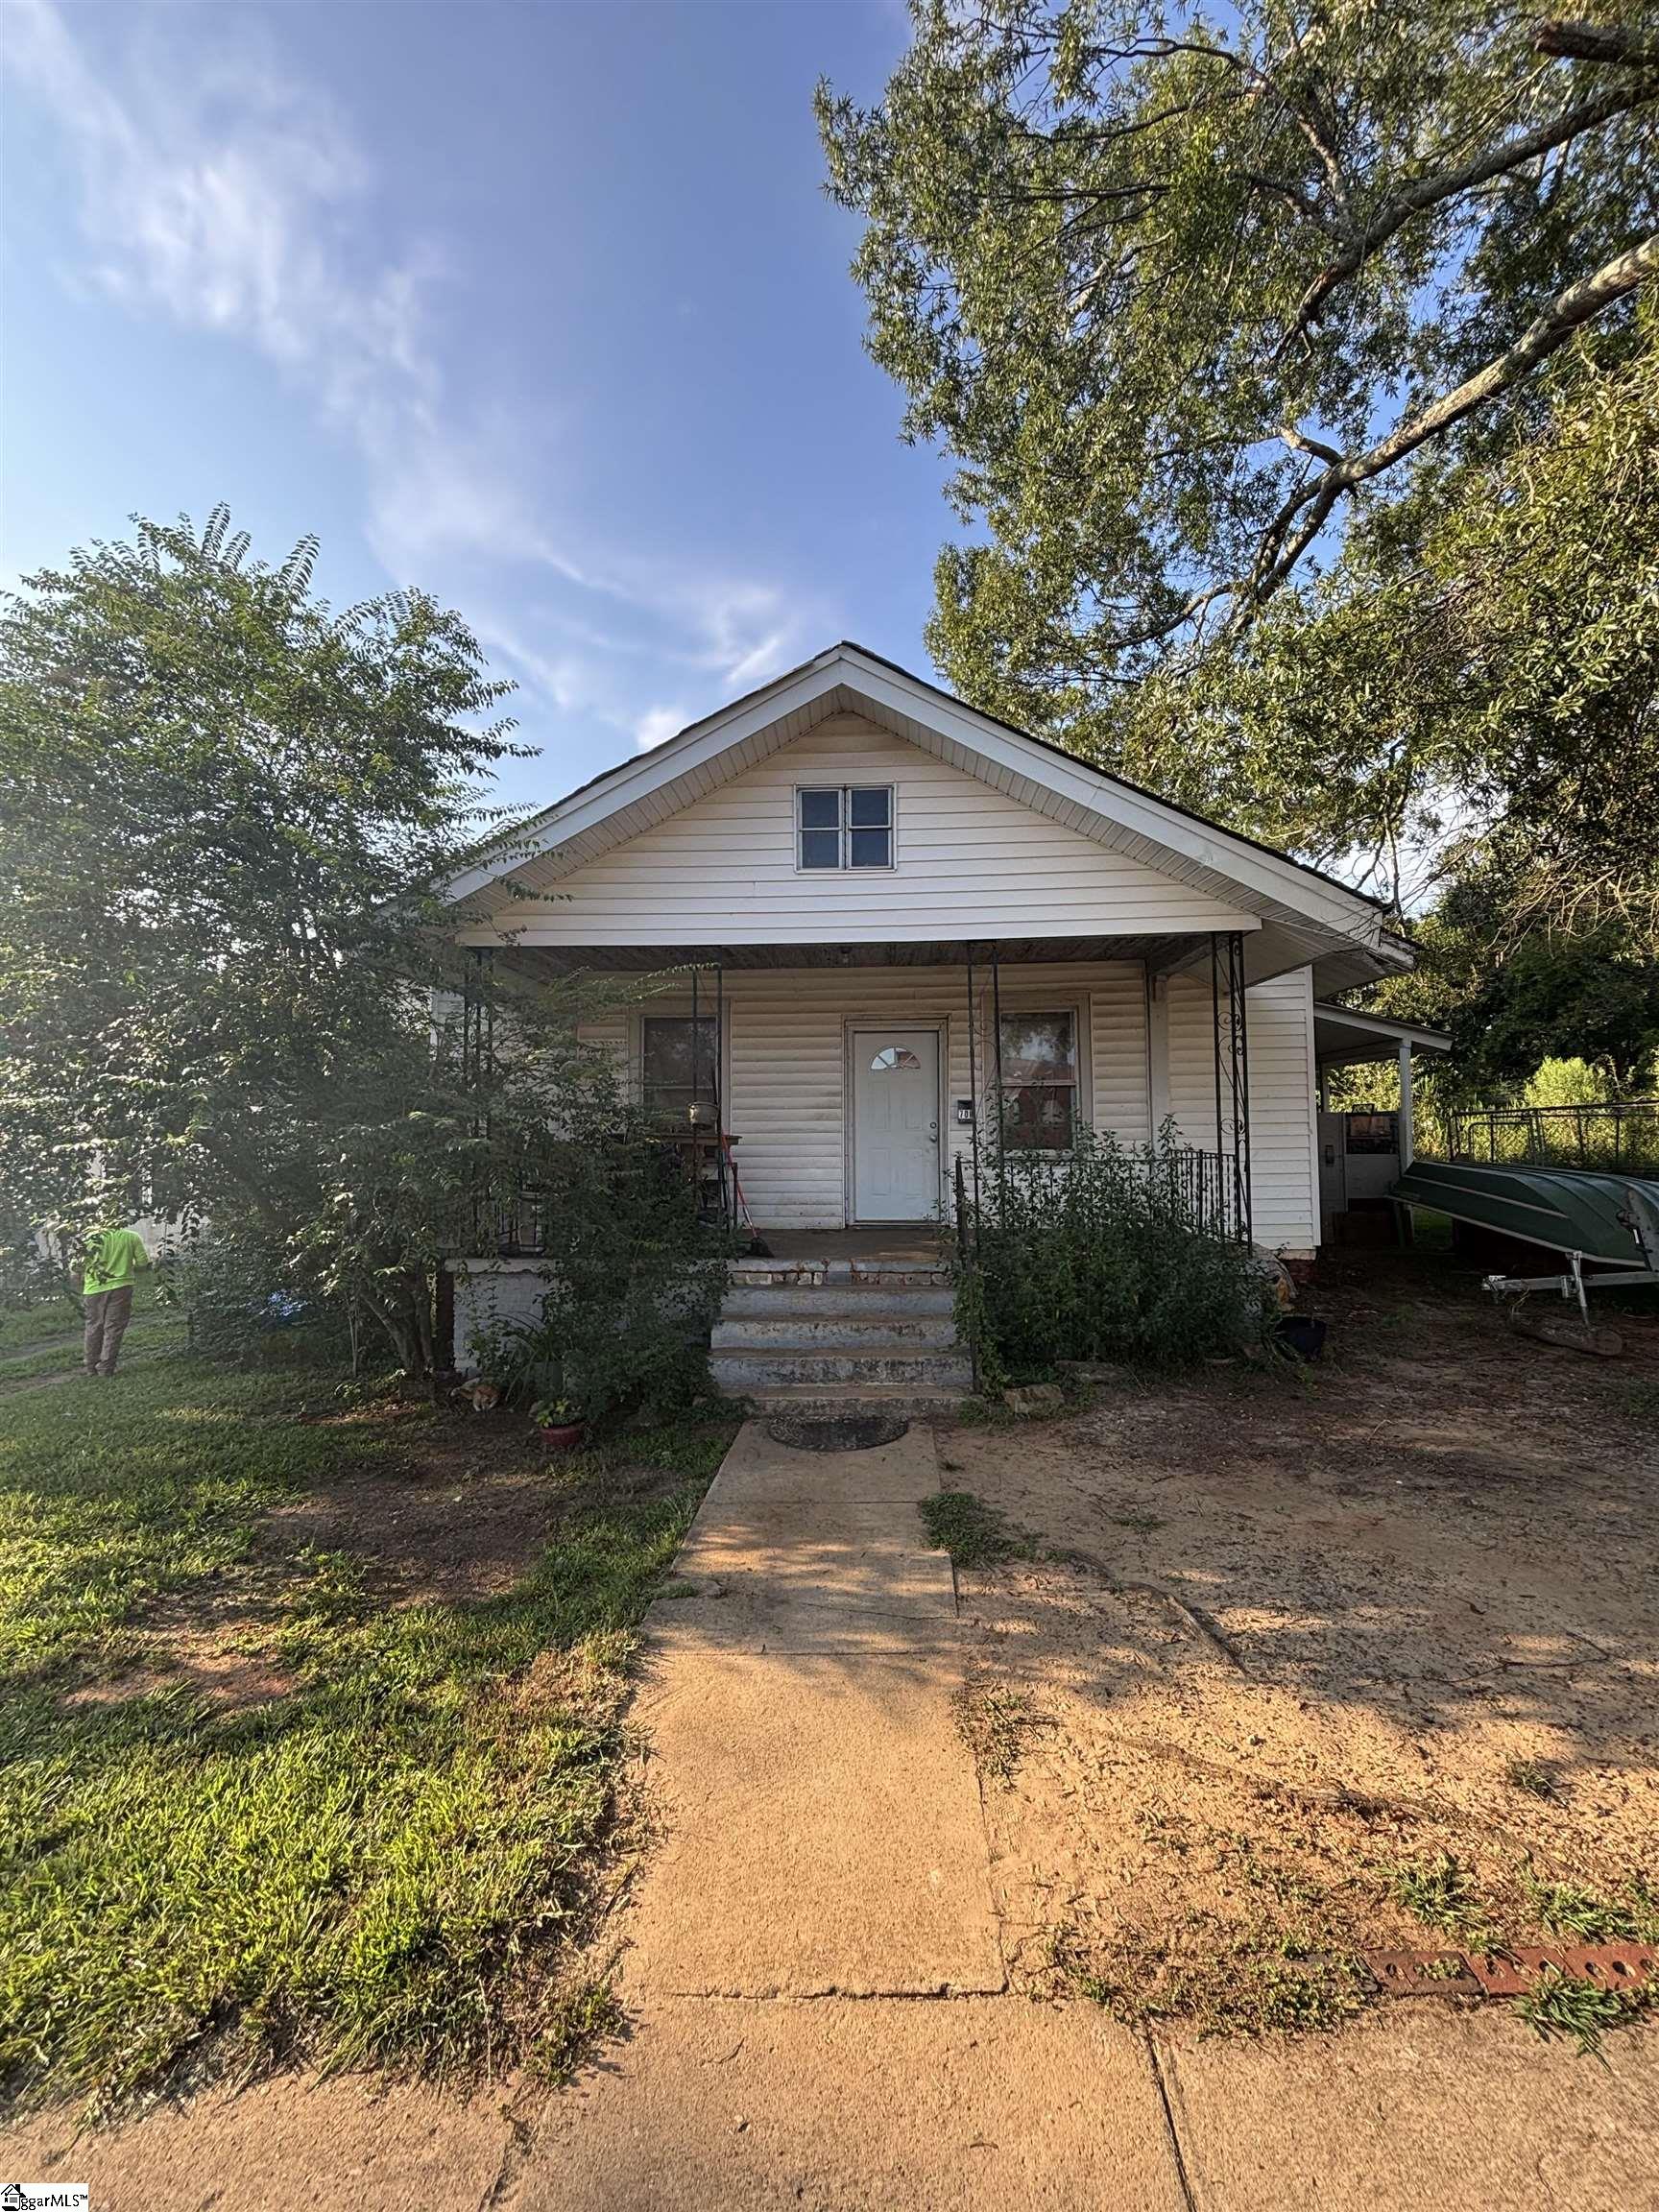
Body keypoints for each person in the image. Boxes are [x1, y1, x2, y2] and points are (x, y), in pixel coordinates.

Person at [83, 1222, 152, 1378]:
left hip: (93, 1288)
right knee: (113, 1327)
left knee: (93, 1326)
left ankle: (90, 1366)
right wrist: (125, 1265)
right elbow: (143, 1263)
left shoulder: (89, 1239)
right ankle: (106, 1367)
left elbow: (76, 1266)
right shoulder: (131, 1237)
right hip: (121, 1286)